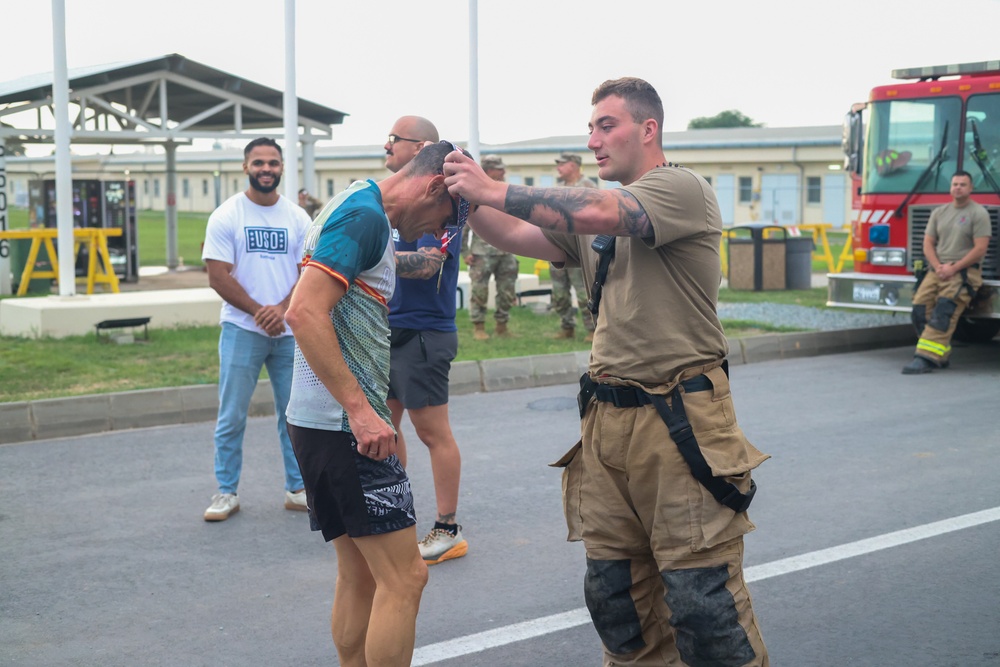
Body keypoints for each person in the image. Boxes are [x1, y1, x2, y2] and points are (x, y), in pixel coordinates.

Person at [444, 77, 770, 666]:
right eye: (590, 127)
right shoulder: (598, 219)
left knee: (704, 607)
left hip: (680, 422)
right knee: (617, 601)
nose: (593, 139)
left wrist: (491, 184)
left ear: (648, 130)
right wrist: (467, 198)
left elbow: (597, 208)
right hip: (606, 422)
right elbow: (518, 233)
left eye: (606, 125)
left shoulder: (679, 189)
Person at [284, 141, 471, 666]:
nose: (442, 231)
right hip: (348, 429)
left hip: (319, 423)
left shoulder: (356, 203)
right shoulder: (365, 217)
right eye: (448, 216)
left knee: (361, 574)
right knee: (406, 577)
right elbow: (303, 312)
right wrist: (362, 411)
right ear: (434, 186)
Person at [200, 137, 312, 522]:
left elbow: (309, 273)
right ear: (245, 167)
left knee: (295, 415)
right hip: (240, 330)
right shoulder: (227, 215)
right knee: (231, 415)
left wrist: (282, 309)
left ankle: (297, 489)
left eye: (273, 163)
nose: (267, 169)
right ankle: (225, 492)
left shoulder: (298, 218)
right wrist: (259, 311)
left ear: (282, 168)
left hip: (289, 332)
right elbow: (217, 275)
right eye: (259, 162)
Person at [382, 117, 469, 565]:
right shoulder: (386, 199)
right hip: (387, 329)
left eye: (395, 140)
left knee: (433, 433)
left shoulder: (447, 199)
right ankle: (393, 514)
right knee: (384, 427)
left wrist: (370, 255)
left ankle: (447, 527)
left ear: (422, 148)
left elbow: (429, 264)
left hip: (424, 333)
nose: (387, 146)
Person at [902, 171, 991, 374]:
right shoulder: (939, 213)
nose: (958, 187)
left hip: (964, 273)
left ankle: (925, 358)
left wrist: (954, 267)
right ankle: (940, 353)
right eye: (955, 184)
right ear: (950, 188)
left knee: (944, 311)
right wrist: (938, 266)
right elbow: (928, 243)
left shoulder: (978, 213)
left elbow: (980, 249)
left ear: (970, 188)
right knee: (919, 309)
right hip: (938, 270)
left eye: (962, 184)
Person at [463, 154, 519, 340]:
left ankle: (502, 326)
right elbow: (463, 223)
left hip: (507, 251)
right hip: (481, 253)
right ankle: (479, 327)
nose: (503, 171)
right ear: (488, 170)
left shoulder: (507, 191)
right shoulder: (474, 192)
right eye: (499, 168)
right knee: (479, 291)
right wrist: (465, 251)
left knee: (507, 291)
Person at [550, 152, 598, 341]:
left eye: (562, 164)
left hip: (579, 249)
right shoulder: (558, 189)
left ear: (573, 165)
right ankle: (566, 326)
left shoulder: (588, 187)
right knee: (559, 291)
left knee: (583, 291)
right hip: (557, 247)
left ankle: (593, 329)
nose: (558, 168)